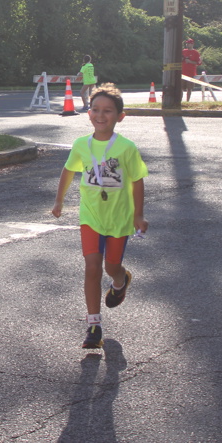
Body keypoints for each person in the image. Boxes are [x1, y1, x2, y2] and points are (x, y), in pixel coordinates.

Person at [51, 83, 148, 350]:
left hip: (119, 217)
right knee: (92, 267)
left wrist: (139, 215)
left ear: (120, 116)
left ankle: (121, 280)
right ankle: (94, 325)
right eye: (95, 109)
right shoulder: (81, 145)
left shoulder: (126, 148)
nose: (100, 115)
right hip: (90, 216)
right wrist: (59, 200)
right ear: (89, 113)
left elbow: (137, 180)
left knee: (111, 267)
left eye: (108, 111)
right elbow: (68, 170)